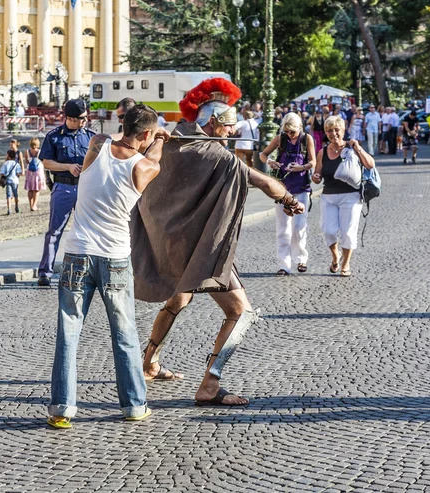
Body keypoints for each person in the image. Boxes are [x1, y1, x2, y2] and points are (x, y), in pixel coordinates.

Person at [132, 78, 304, 406]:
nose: (230, 133)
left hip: (174, 244)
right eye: (229, 128)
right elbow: (263, 180)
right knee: (241, 312)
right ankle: (210, 383)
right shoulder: (216, 155)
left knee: (178, 299)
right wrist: (289, 200)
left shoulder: (169, 137)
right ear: (214, 122)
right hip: (203, 247)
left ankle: (149, 363)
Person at [47, 104, 171, 429]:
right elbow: (155, 158)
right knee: (124, 334)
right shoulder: (144, 167)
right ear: (146, 135)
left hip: (76, 254)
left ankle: (61, 408)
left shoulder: (95, 146)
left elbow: (115, 138)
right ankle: (133, 405)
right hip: (114, 257)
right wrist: (160, 138)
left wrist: (142, 132)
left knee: (68, 333)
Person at [36, 99, 97, 287]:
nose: (85, 121)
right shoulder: (54, 137)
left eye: (86, 117)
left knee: (88, 231)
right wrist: (67, 167)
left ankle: (88, 272)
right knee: (54, 231)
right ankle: (45, 272)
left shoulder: (91, 137)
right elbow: (46, 162)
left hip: (86, 188)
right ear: (70, 118)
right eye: (82, 118)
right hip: (63, 187)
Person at [312, 116, 375, 277]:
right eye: (329, 130)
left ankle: (345, 264)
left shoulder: (352, 148)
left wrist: (358, 148)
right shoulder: (322, 152)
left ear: (343, 130)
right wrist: (316, 177)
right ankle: (335, 256)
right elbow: (317, 173)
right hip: (329, 197)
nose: (333, 133)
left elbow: (370, 165)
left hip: (351, 196)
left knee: (348, 232)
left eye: (336, 130)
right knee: (328, 230)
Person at [260, 112, 316, 275]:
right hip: (282, 189)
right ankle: (284, 265)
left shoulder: (307, 139)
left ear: (299, 127)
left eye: (292, 132)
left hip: (301, 187)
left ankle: (301, 259)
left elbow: (313, 161)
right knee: (283, 228)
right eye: (287, 131)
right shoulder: (280, 139)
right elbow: (263, 155)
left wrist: (302, 167)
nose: (289, 135)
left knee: (299, 226)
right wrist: (271, 162)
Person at [24, 137, 47, 211]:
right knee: (36, 189)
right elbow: (43, 160)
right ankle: (34, 205)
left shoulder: (27, 151)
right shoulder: (40, 151)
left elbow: (26, 161)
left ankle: (31, 205)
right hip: (38, 170)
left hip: (29, 170)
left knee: (30, 189)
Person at [0, 149, 23, 214]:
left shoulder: (5, 163)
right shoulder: (16, 164)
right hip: (15, 180)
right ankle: (17, 207)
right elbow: (19, 173)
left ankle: (9, 209)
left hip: (8, 181)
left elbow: (2, 173)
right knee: (16, 194)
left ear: (8, 156)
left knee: (8, 195)